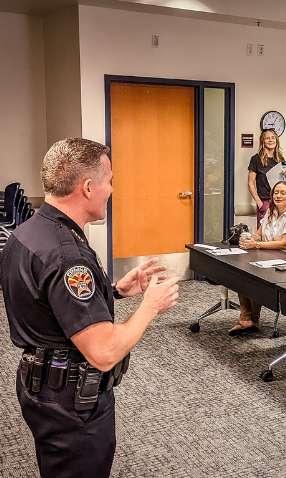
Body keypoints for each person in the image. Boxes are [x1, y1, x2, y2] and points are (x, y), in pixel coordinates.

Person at [2, 138, 179, 477]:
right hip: (70, 404)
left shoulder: (28, 233)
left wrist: (114, 292)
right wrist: (149, 307)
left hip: (40, 387)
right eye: (109, 181)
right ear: (87, 187)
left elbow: (51, 307)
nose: (112, 189)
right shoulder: (68, 255)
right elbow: (103, 352)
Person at [229, 180, 286, 335]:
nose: (278, 196)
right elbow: (260, 233)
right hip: (265, 256)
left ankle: (252, 319)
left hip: (284, 261)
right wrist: (252, 238)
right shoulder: (270, 211)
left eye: (283, 193)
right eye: (276, 192)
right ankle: (246, 318)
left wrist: (256, 245)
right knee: (241, 272)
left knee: (255, 277)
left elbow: (284, 243)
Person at [248, 129, 286, 228]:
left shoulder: (280, 159)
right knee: (263, 232)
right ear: (263, 141)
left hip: (279, 201)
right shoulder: (256, 159)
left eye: (273, 138)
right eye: (267, 138)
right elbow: (250, 184)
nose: (271, 140)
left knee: (279, 231)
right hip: (265, 202)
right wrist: (259, 202)